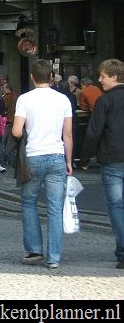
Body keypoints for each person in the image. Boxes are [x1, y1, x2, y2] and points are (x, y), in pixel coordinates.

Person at [11, 59, 73, 269]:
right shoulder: (63, 100)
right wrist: (69, 161)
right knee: (55, 208)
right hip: (56, 155)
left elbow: (17, 131)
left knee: (29, 203)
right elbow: (68, 134)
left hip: (33, 157)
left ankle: (34, 250)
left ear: (32, 77)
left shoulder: (25, 99)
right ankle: (53, 257)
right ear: (52, 78)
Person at [80, 59, 124, 269]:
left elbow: (94, 131)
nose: (100, 80)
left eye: (103, 76)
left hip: (112, 159)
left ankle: (123, 251)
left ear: (114, 76)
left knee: (116, 206)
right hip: (113, 159)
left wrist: (85, 159)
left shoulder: (105, 101)